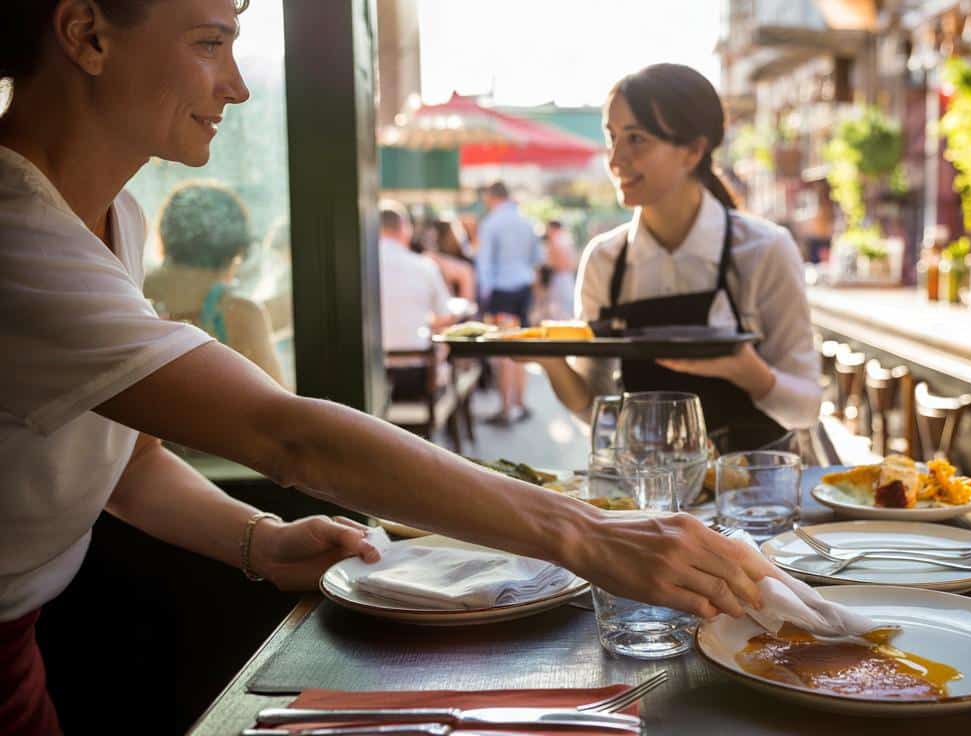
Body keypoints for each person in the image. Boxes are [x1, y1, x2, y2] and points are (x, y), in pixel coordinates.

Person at [0, 3, 770, 732]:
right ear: (87, 34)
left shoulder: (116, 216)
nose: (235, 85)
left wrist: (259, 540)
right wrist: (594, 537)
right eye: (209, 43)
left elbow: (131, 460)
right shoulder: (20, 236)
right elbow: (288, 437)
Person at [533, 64, 822, 453]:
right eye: (612, 137)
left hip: (754, 484)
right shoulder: (604, 260)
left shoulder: (764, 250)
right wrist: (548, 358)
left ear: (693, 151)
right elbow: (594, 407)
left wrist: (749, 372)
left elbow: (805, 409)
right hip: (646, 483)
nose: (615, 159)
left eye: (636, 139)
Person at [143, 181, 286, 387]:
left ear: (164, 239)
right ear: (236, 251)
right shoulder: (241, 314)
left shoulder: (133, 293)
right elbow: (278, 398)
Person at [474, 181, 541, 425]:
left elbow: (484, 264)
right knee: (521, 348)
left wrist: (483, 298)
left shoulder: (491, 223)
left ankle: (505, 409)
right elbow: (536, 259)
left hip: (501, 290)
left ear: (491, 197)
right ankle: (520, 403)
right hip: (523, 289)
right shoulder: (526, 222)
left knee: (504, 351)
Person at [379, 200, 453, 352]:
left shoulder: (364, 268)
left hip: (373, 359)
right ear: (405, 229)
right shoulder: (425, 266)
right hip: (417, 358)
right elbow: (445, 315)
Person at [539, 219, 577, 321]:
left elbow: (556, 263)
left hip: (560, 277)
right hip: (565, 277)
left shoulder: (556, 241)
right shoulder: (566, 239)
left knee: (559, 310)